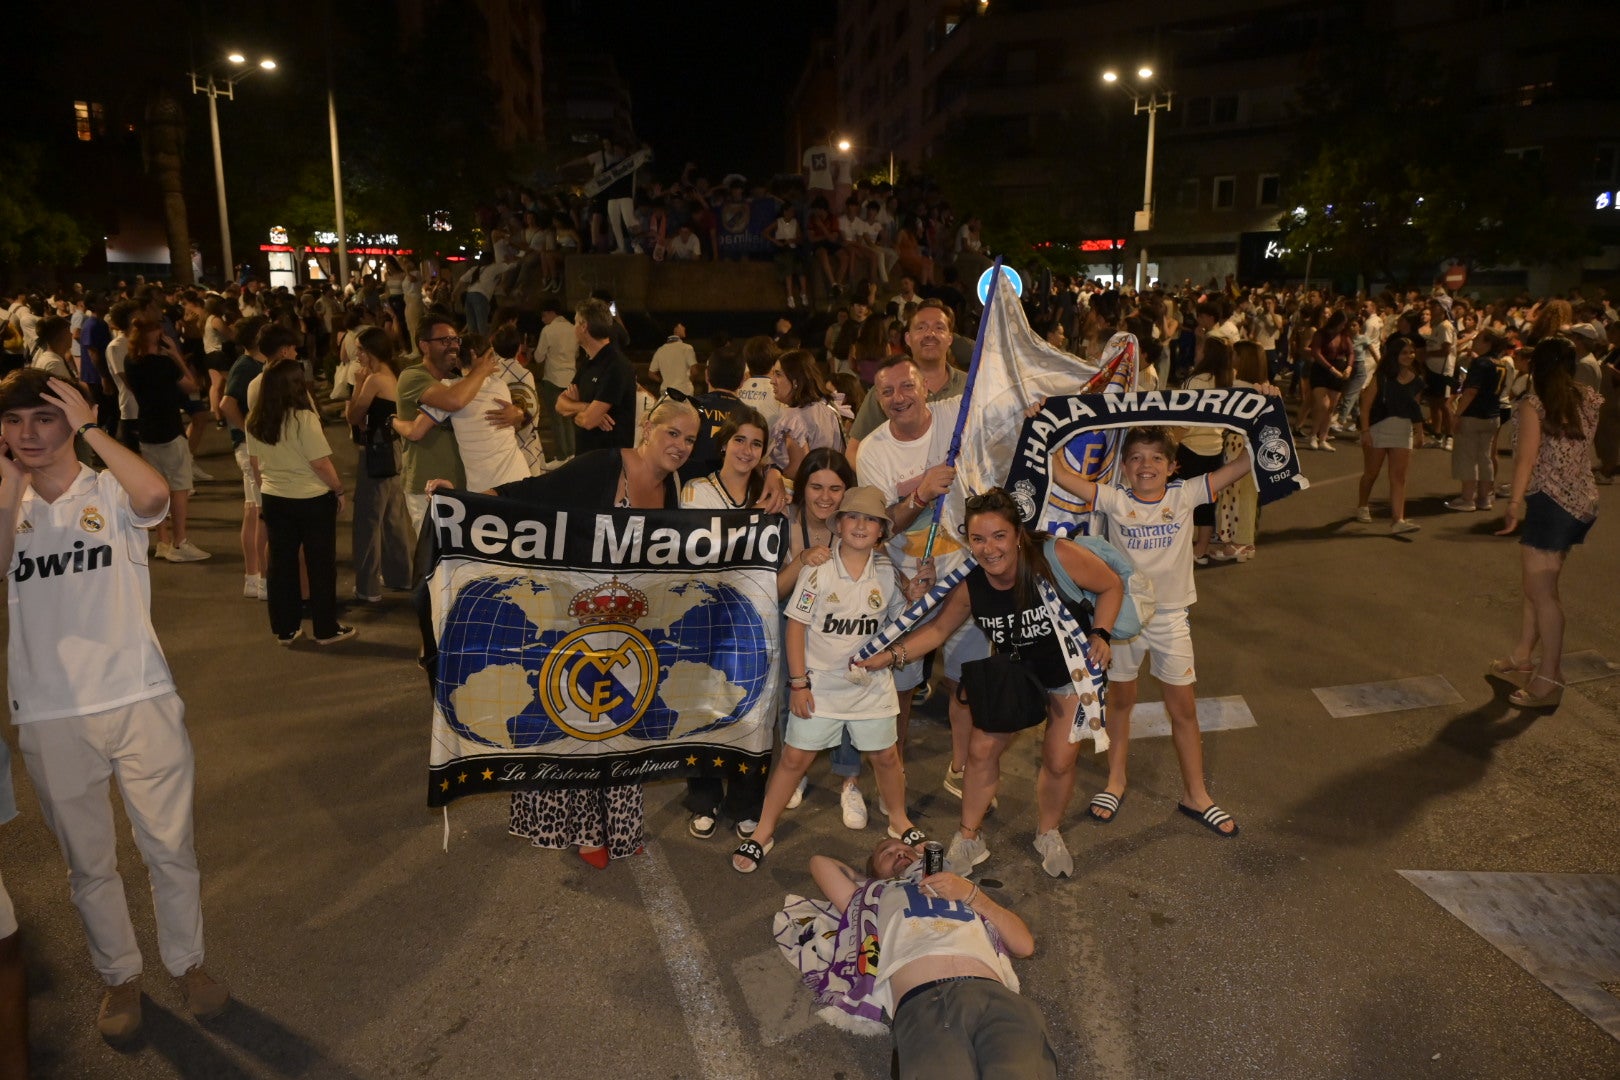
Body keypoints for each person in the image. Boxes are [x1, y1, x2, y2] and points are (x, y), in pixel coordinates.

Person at [0, 370, 230, 1040]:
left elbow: (156, 493)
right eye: (14, 422)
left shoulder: (109, 488)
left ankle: (189, 964)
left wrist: (94, 426)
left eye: (45, 418)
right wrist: (11, 482)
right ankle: (120, 977)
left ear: (75, 417)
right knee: (88, 861)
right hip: (49, 712)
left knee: (169, 846)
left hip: (140, 696)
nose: (29, 434)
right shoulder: (8, 504)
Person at [449, 397, 701, 866]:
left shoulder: (677, 483)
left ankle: (617, 826)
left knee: (621, 727)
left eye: (689, 439)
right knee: (579, 724)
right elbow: (531, 492)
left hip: (630, 630)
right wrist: (458, 503)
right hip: (573, 621)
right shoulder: (604, 465)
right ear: (648, 427)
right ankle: (586, 831)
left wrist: (770, 476)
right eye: (673, 434)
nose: (681, 445)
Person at [854, 489, 1124, 878]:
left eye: (999, 536)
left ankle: (1047, 832)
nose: (989, 548)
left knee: (1059, 759)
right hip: (1016, 672)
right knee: (980, 751)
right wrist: (888, 657)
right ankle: (969, 838)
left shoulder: (1055, 556)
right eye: (978, 539)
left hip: (1070, 670)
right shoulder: (971, 583)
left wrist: (1101, 633)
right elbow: (937, 631)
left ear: (1017, 534)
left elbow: (1111, 585)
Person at [1053, 428, 1255, 840]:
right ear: (1123, 468)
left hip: (1170, 618)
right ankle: (1115, 782)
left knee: (1183, 707)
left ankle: (1196, 794)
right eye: (1136, 458)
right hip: (1122, 620)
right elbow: (1059, 473)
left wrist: (1259, 410)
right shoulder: (1114, 499)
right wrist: (1048, 423)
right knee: (1122, 703)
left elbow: (1247, 462)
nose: (1146, 466)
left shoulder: (1185, 495)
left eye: (1156, 458)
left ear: (1172, 466)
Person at [733, 487, 924, 873]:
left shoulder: (887, 573)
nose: (860, 525)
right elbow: (796, 627)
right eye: (852, 517)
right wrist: (799, 684)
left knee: (887, 756)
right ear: (837, 524)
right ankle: (763, 832)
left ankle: (899, 819)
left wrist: (916, 595)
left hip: (870, 687)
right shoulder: (816, 570)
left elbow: (901, 624)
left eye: (871, 520)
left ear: (881, 531)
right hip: (819, 687)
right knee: (793, 759)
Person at [806, 837, 1055, 1078]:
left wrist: (972, 894)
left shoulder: (961, 888)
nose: (900, 853)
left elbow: (1024, 946)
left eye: (905, 850)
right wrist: (875, 881)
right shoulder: (873, 898)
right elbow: (819, 863)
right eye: (887, 853)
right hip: (926, 1004)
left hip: (996, 999)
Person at [1489, 337, 1603, 708]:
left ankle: (1550, 677)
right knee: (1538, 586)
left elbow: (1525, 460)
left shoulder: (1532, 405)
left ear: (1537, 367)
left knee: (1543, 593)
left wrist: (1514, 504)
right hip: (1581, 501)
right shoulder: (1587, 397)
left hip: (1550, 503)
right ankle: (1523, 654)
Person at [682, 410, 772, 839]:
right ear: (724, 443)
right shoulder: (696, 492)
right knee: (701, 704)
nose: (746, 450)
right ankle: (703, 796)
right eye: (740, 440)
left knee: (748, 708)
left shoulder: (773, 493)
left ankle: (745, 800)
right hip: (703, 617)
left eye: (756, 443)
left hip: (752, 618)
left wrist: (773, 481)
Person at [245, 361, 354, 646]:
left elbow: (255, 465)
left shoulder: (255, 419)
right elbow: (319, 462)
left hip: (274, 497)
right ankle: (325, 628)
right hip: (312, 498)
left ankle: (286, 628)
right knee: (320, 564)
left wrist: (266, 489)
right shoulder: (304, 419)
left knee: (281, 563)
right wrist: (339, 490)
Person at [123, 314, 208, 562]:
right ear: (158, 335)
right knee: (179, 487)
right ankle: (180, 541)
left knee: (159, 487)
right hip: (170, 429)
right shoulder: (165, 364)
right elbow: (191, 385)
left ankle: (163, 541)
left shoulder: (131, 362)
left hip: (147, 429)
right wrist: (176, 356)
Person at [344, 327, 415, 603]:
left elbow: (353, 415)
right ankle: (400, 575)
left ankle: (367, 587)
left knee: (367, 520)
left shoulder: (374, 379)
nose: (357, 354)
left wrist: (359, 384)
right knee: (392, 516)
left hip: (376, 452)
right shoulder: (393, 374)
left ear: (372, 350)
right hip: (393, 449)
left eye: (361, 349)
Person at [1355, 335, 1426, 532]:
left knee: (1398, 477)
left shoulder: (1417, 380)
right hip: (1378, 429)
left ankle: (1398, 520)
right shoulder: (1382, 377)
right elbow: (1366, 406)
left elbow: (1415, 408)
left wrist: (1419, 431)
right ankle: (1362, 505)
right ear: (1395, 354)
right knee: (1371, 473)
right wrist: (1365, 431)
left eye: (1411, 352)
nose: (1409, 356)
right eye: (1404, 352)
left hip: (1403, 432)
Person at [1445, 328, 1514, 513]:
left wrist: (1457, 414)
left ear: (1488, 343)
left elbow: (1471, 391)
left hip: (1473, 415)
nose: (1474, 342)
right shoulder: (1501, 363)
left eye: (1478, 339)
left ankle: (1467, 498)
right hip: (1493, 415)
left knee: (1467, 457)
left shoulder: (1480, 363)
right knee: (1485, 458)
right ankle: (1484, 498)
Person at [556, 298, 636, 454]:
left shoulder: (616, 365)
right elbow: (559, 404)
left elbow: (588, 421)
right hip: (587, 458)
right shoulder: (588, 362)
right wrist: (585, 407)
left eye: (575, 322)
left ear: (584, 326)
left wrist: (575, 410)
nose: (574, 328)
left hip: (608, 463)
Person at [767, 348, 847, 475]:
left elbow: (796, 470)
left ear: (795, 382)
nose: (772, 381)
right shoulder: (828, 407)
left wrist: (768, 473)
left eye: (778, 374)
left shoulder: (794, 418)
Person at [535, 299, 578, 460]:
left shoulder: (548, 330)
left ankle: (561, 456)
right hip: (571, 379)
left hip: (553, 379)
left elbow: (538, 357)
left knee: (557, 420)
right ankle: (573, 455)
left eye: (544, 315)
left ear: (552, 312)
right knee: (569, 420)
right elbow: (577, 354)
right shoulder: (574, 329)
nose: (542, 319)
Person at [648, 322, 697, 396]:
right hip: (684, 392)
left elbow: (651, 374)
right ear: (675, 329)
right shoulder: (687, 348)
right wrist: (688, 382)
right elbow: (694, 371)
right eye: (681, 325)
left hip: (666, 393)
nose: (684, 328)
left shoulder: (660, 350)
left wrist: (663, 381)